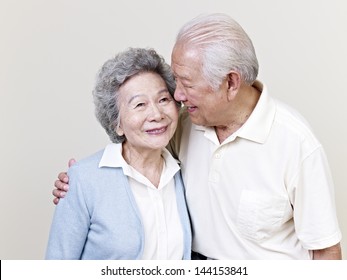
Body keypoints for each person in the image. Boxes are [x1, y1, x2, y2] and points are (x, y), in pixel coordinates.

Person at [52, 13, 342, 259]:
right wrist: (80, 184)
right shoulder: (184, 125)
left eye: (186, 83)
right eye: (175, 81)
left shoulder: (296, 144)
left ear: (230, 83)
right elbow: (136, 144)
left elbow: (326, 252)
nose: (176, 96)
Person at [46, 47, 192, 260]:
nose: (156, 114)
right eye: (140, 104)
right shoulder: (83, 180)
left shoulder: (183, 173)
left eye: (163, 100)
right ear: (117, 124)